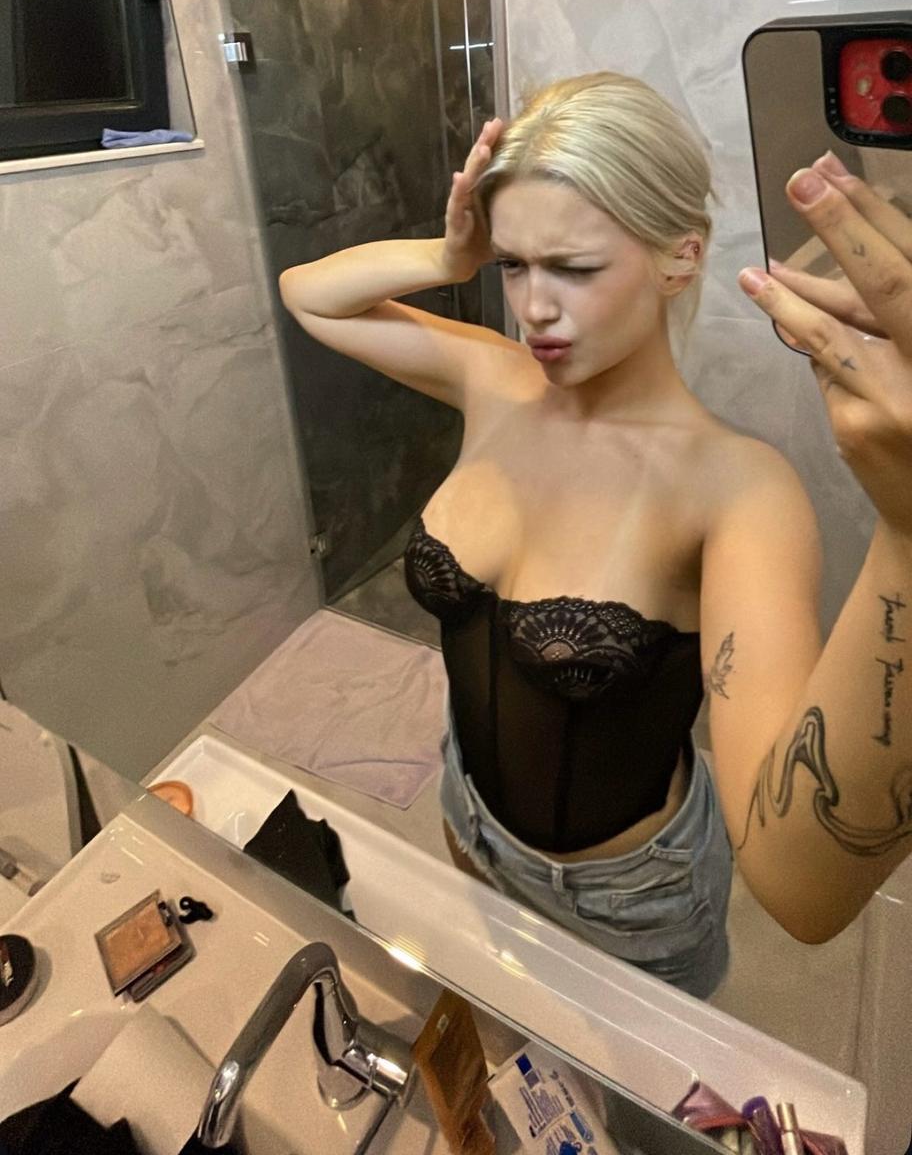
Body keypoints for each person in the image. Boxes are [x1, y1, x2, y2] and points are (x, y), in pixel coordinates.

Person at [278, 72, 912, 999]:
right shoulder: (495, 380)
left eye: (573, 268)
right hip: (465, 812)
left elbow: (801, 889)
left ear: (679, 259)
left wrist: (908, 534)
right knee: (508, 1030)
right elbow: (309, 296)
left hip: (629, 896)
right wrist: (449, 257)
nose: (532, 308)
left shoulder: (739, 490)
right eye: (514, 266)